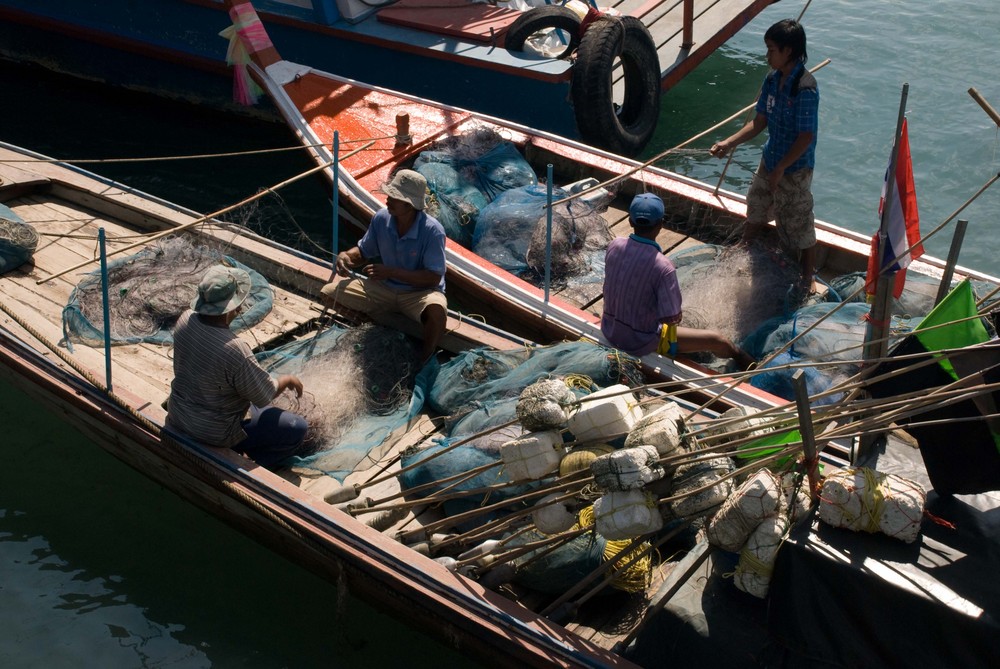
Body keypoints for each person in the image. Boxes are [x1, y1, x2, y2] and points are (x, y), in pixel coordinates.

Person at [710, 18, 819, 296]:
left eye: (772, 50)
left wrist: (781, 168)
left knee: (798, 221)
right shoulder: (771, 79)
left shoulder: (805, 88)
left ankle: (808, 275)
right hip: (770, 159)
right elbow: (759, 122)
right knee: (756, 204)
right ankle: (745, 247)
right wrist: (728, 143)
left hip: (794, 169)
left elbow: (805, 137)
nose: (767, 55)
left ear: (789, 51)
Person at [166, 265, 308, 468]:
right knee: (296, 427)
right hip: (214, 433)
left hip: (178, 414)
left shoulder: (185, 318)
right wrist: (287, 380)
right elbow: (265, 395)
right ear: (232, 308)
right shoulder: (235, 349)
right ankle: (254, 463)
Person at [601, 193, 755, 370]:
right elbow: (672, 320)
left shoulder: (614, 244)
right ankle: (747, 363)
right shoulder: (663, 266)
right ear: (661, 224)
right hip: (642, 341)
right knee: (718, 340)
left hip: (610, 329)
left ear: (630, 221)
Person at [321, 169, 448, 364]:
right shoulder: (381, 218)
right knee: (329, 293)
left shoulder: (433, 231)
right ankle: (372, 327)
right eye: (390, 194)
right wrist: (346, 257)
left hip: (419, 293)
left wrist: (391, 272)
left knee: (437, 311)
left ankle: (425, 356)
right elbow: (363, 252)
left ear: (410, 205)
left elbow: (433, 277)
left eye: (395, 197)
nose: (388, 199)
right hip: (385, 288)